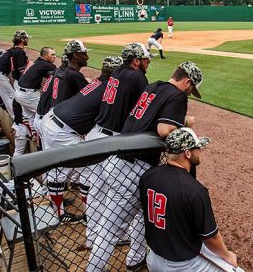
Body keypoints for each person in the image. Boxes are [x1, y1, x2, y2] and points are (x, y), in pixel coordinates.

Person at [87, 61, 203, 272]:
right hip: (132, 166)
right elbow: (164, 129)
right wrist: (185, 125)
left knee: (144, 212)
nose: (189, 93)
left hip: (120, 158)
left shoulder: (153, 86)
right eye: (191, 88)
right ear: (186, 82)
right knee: (110, 229)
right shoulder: (177, 96)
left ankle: (135, 258)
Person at [140, 128, 239, 271]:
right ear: (187, 153)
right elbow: (211, 238)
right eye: (197, 148)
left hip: (153, 259)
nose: (200, 151)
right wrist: (227, 255)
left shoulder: (148, 177)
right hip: (183, 266)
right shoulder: (195, 191)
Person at [85, 43, 151, 253]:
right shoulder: (137, 76)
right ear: (136, 60)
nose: (148, 62)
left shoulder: (117, 71)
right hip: (112, 140)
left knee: (97, 190)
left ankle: (92, 237)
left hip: (96, 133)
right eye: (146, 59)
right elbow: (145, 108)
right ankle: (117, 241)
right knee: (124, 193)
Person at [42, 56, 121, 224]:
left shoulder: (97, 82)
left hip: (53, 121)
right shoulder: (109, 90)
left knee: (59, 171)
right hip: (61, 130)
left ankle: (60, 213)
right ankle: (88, 218)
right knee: (88, 170)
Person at [15, 47, 57, 137]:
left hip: (19, 93)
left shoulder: (37, 61)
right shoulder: (46, 64)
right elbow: (59, 72)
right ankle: (44, 136)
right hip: (28, 95)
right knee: (45, 114)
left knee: (31, 117)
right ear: (45, 56)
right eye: (52, 54)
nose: (55, 56)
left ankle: (35, 135)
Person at [0, 30, 29, 119]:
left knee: (11, 96)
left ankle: (17, 118)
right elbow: (22, 70)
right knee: (10, 97)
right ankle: (17, 119)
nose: (27, 40)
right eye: (26, 38)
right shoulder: (19, 51)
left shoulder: (12, 50)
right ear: (22, 40)